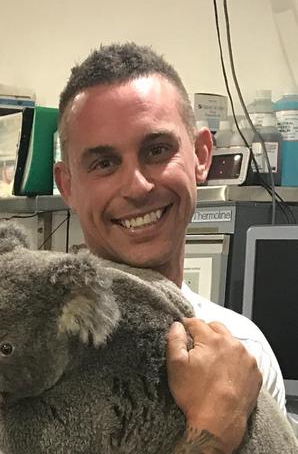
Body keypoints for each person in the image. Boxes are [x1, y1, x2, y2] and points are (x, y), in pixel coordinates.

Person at [50, 43, 284, 452]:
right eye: (104, 163)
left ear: (201, 155)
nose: (137, 185)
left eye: (157, 150)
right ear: (67, 184)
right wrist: (213, 426)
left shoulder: (245, 350)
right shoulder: (40, 352)